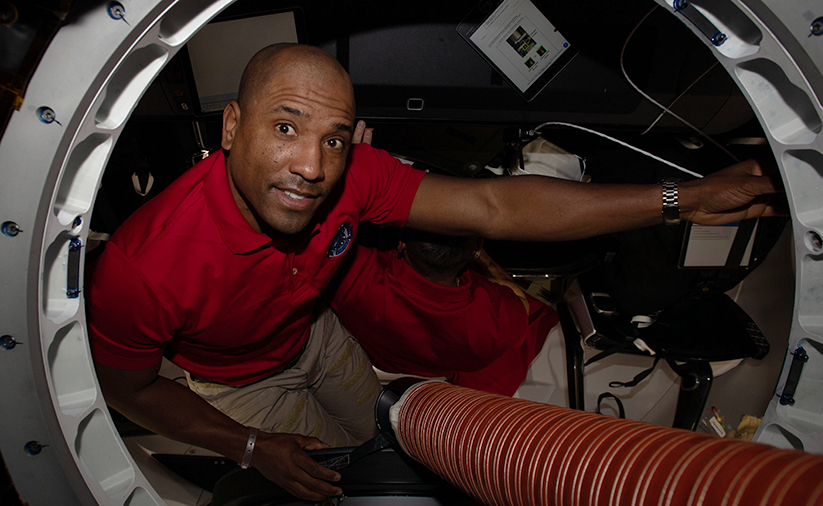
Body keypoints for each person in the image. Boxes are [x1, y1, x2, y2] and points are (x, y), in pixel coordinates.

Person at [86, 43, 781, 502]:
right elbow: (130, 390)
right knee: (333, 477)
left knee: (383, 434)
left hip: (315, 338)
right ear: (233, 125)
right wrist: (248, 446)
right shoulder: (142, 267)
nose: (313, 166)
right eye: (286, 127)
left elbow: (491, 203)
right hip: (237, 385)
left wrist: (680, 198)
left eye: (334, 137)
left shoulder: (350, 177)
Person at [325, 228, 559, 396]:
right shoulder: (495, 320)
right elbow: (519, 299)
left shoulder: (354, 276)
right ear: (475, 247)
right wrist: (481, 257)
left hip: (383, 358)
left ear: (402, 241)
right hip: (431, 369)